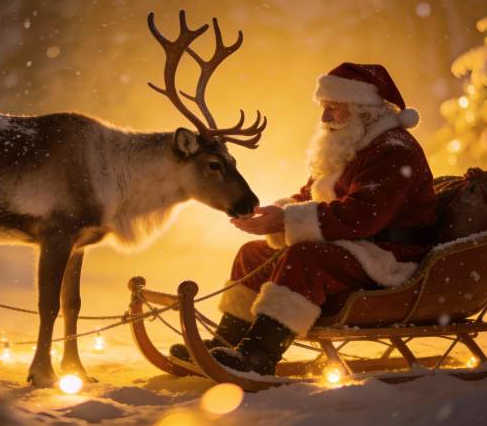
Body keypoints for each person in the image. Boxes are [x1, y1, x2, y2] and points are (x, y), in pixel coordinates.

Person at [170, 62, 438, 375]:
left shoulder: (394, 150)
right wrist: (274, 215)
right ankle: (225, 345)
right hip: (354, 245)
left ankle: (258, 355)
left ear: (363, 109)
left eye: (333, 108)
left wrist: (285, 221)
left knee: (305, 258)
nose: (324, 118)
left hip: (389, 256)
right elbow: (310, 195)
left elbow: (363, 216)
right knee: (253, 256)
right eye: (324, 107)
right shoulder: (349, 144)